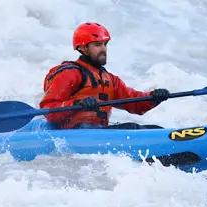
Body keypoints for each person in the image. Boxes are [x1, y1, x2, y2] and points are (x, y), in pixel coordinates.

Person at [39, 22, 170, 129]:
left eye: (104, 44)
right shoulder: (69, 73)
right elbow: (49, 109)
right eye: (97, 45)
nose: (103, 49)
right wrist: (78, 103)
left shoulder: (109, 79)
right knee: (132, 128)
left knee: (155, 128)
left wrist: (154, 97)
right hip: (74, 133)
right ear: (83, 48)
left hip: (98, 132)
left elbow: (133, 101)